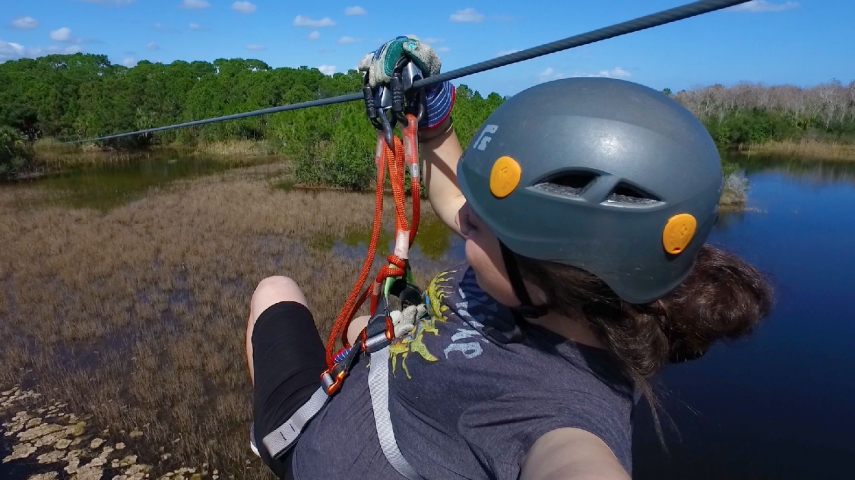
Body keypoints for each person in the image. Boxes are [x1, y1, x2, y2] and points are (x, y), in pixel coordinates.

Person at [244, 37, 773, 480]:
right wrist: (432, 115)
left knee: (275, 296)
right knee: (301, 297)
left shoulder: (563, 416)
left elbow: (576, 466)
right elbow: (455, 195)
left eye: (485, 223)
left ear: (554, 272)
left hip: (306, 443)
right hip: (361, 389)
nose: (465, 218)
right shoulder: (546, 284)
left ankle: (275, 445)